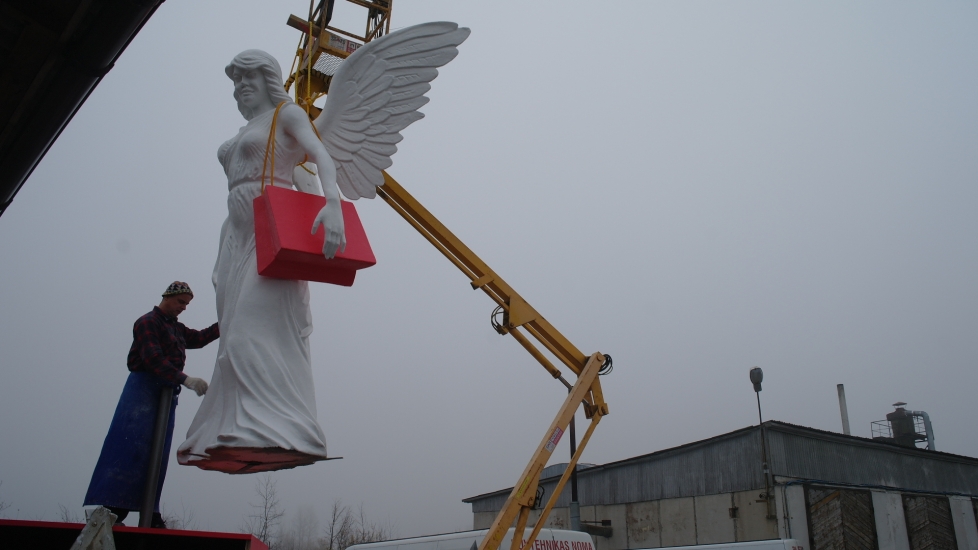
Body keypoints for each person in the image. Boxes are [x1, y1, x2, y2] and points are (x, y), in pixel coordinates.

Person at [176, 50, 346, 473]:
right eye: (236, 81)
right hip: (235, 234)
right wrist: (221, 254)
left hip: (271, 230)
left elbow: (321, 154)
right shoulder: (242, 131)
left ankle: (287, 429)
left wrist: (332, 204)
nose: (241, 86)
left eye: (249, 77)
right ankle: (235, 427)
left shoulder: (286, 115)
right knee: (232, 334)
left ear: (268, 79)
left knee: (245, 334)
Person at [84, 281, 218, 526]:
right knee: (130, 449)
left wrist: (227, 322)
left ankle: (150, 509)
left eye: (187, 304)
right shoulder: (148, 322)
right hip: (141, 393)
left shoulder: (175, 328)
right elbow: (153, 359)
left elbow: (199, 338)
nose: (183, 308)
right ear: (167, 296)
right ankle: (113, 508)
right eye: (181, 302)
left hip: (166, 394)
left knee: (158, 454)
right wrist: (185, 379)